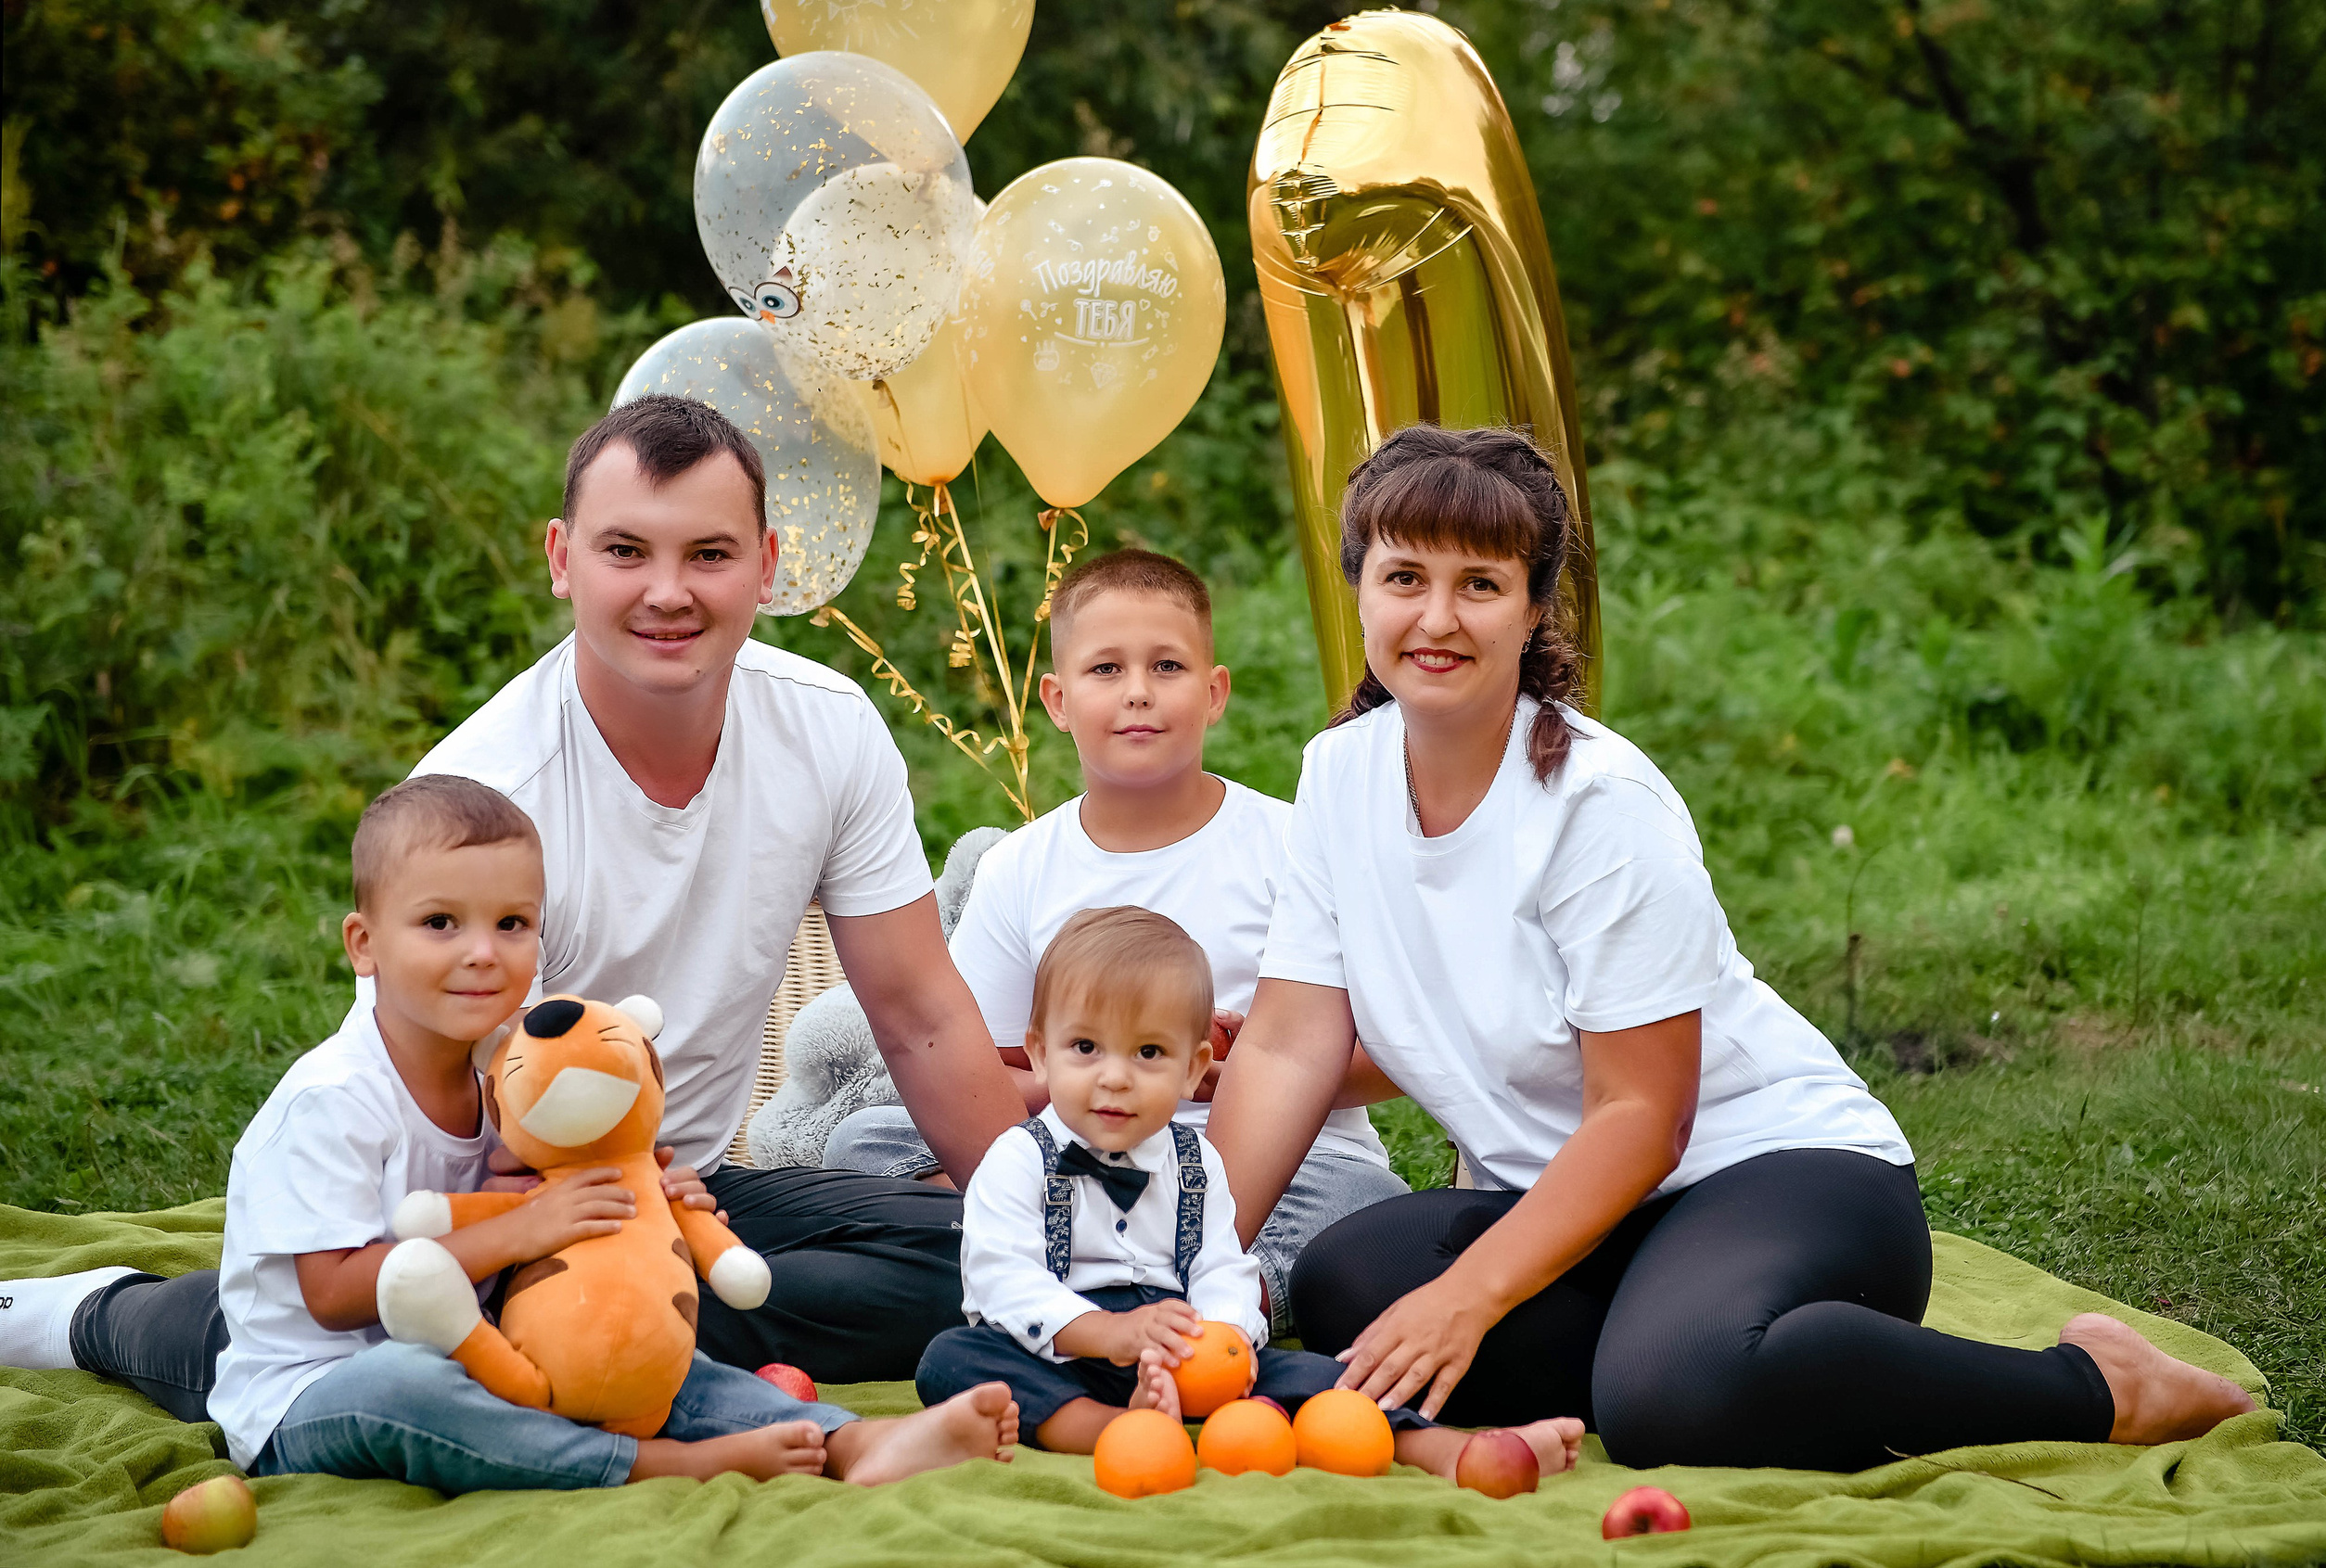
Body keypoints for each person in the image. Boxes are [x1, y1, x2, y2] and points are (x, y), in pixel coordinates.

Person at [1204, 424, 2257, 1472]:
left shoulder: (1596, 806)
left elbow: (1642, 1115)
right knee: (1352, 1280)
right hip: (1598, 1217)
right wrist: (1187, 1268)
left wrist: (1471, 1293)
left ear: (1531, 610)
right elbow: (1292, 1048)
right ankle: (1699, 1348)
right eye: (1403, 576)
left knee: (1674, 1396)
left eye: (1478, 584)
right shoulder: (1339, 774)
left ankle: (2097, 1385)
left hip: (1778, 1175)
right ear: (1360, 591)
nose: (1435, 616)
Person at [5, 395, 1022, 1398]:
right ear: (560, 558)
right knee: (407, 1323)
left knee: (973, 1261)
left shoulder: (829, 729)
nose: (667, 590)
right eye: (625, 550)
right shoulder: (488, 798)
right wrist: (515, 1220)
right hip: (504, 1213)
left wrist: (1036, 1239)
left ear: (765, 562)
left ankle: (638, 1329)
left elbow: (921, 1015)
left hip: (690, 1185)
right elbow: (410, 1086)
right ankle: (111, 1314)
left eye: (708, 554)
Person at [15, 777, 1020, 1490]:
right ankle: (651, 1464)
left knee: (657, 1362)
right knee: (414, 1385)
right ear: (364, 943)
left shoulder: (502, 1079)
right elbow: (329, 1293)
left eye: (512, 924)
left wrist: (647, 1201)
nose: (482, 953)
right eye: (440, 923)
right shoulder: (333, 1097)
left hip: (499, 1354)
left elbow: (568, 1192)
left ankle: (849, 1442)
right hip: (319, 1390)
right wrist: (527, 1225)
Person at [825, 549, 1407, 1330]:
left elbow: (1393, 1053)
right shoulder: (1019, 869)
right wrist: (1125, 1073)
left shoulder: (1296, 845)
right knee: (864, 1144)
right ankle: (1106, 1270)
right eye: (1106, 669)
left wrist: (1229, 1077)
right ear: (1058, 700)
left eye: (1167, 666)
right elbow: (988, 1072)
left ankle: (1207, 1300)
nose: (1138, 692)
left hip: (1273, 1163)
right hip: (1080, 1152)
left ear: (1214, 692)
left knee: (1361, 1198)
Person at [914, 906, 1582, 1481]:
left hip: (1181, 1341)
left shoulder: (1194, 1160)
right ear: (1038, 1053)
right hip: (1062, 1350)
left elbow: (1219, 1264)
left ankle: (1443, 1447)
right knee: (954, 1359)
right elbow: (1003, 1282)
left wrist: (1221, 1341)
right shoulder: (1018, 1158)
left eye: (1148, 1053)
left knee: (1314, 1374)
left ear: (1193, 1068)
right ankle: (1104, 1429)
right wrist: (1111, 1333)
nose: (1115, 1077)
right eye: (1085, 1047)